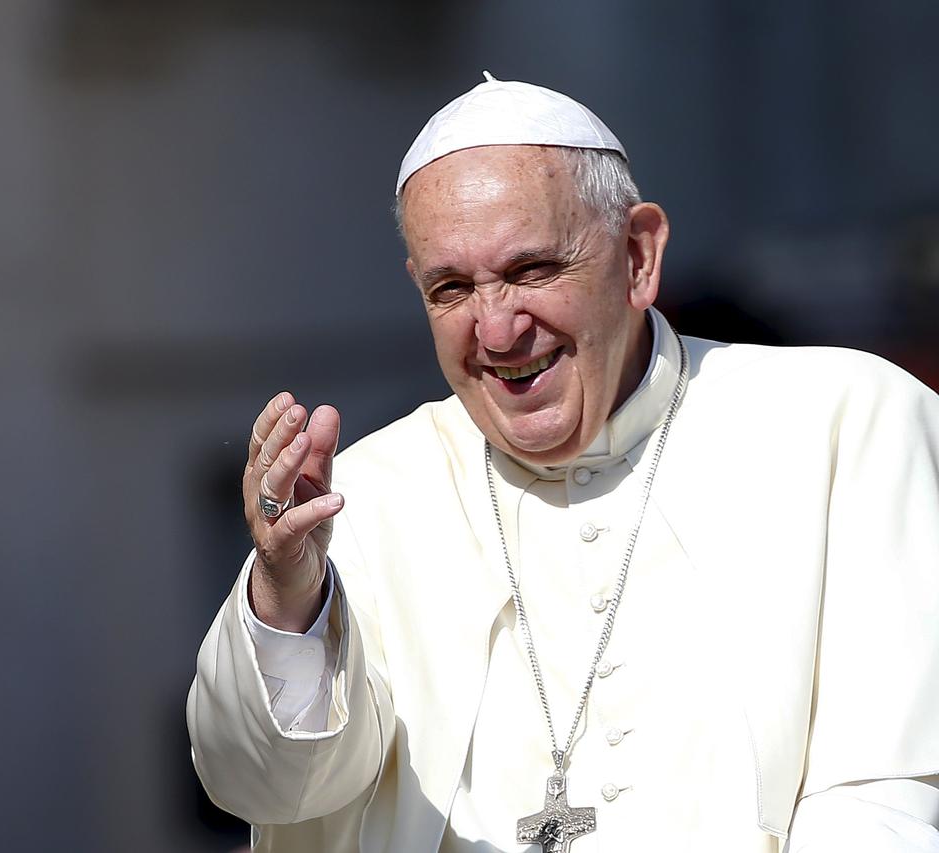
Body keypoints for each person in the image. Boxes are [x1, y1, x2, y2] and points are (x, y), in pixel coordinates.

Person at [187, 73, 939, 852]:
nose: (499, 330)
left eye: (531, 270)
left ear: (639, 256)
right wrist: (285, 597)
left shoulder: (849, 424)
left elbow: (886, 798)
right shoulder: (363, 498)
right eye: (453, 288)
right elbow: (264, 788)